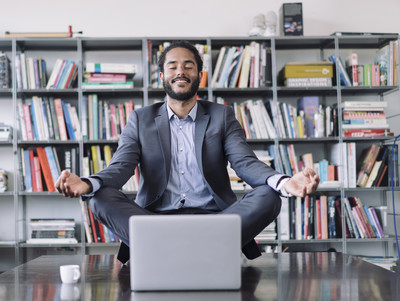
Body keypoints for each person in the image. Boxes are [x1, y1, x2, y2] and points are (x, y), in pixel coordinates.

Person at [55, 40, 319, 263]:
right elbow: (121, 167)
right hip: (154, 221)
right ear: (162, 77)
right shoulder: (140, 119)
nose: (180, 71)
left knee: (270, 195)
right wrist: (88, 183)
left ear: (199, 75)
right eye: (172, 66)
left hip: (216, 220)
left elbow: (245, 162)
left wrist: (285, 182)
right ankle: (194, 249)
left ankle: (174, 249)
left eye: (188, 66)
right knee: (99, 197)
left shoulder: (222, 116)